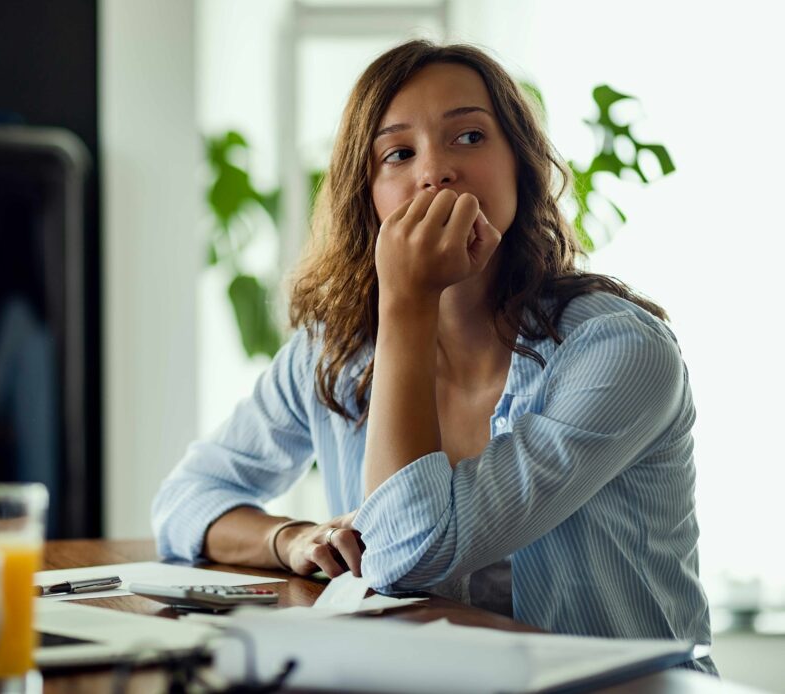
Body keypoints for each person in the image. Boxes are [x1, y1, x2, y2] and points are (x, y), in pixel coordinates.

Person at [151, 40, 714, 672]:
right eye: (399, 153)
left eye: (469, 137)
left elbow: (407, 555)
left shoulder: (619, 352)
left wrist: (407, 303)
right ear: (367, 194)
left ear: (520, 165)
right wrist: (289, 539)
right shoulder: (334, 350)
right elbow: (185, 501)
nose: (436, 172)